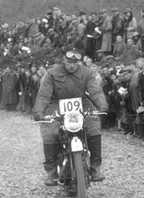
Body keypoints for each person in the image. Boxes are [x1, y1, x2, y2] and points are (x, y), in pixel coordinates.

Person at [33, 49, 109, 185]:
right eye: (69, 62)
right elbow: (44, 94)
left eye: (75, 62)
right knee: (50, 131)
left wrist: (102, 105)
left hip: (82, 102)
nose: (72, 65)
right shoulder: (52, 73)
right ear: (63, 60)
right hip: (57, 103)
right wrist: (39, 112)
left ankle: (95, 168)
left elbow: (95, 90)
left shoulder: (87, 72)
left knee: (93, 128)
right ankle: (51, 172)